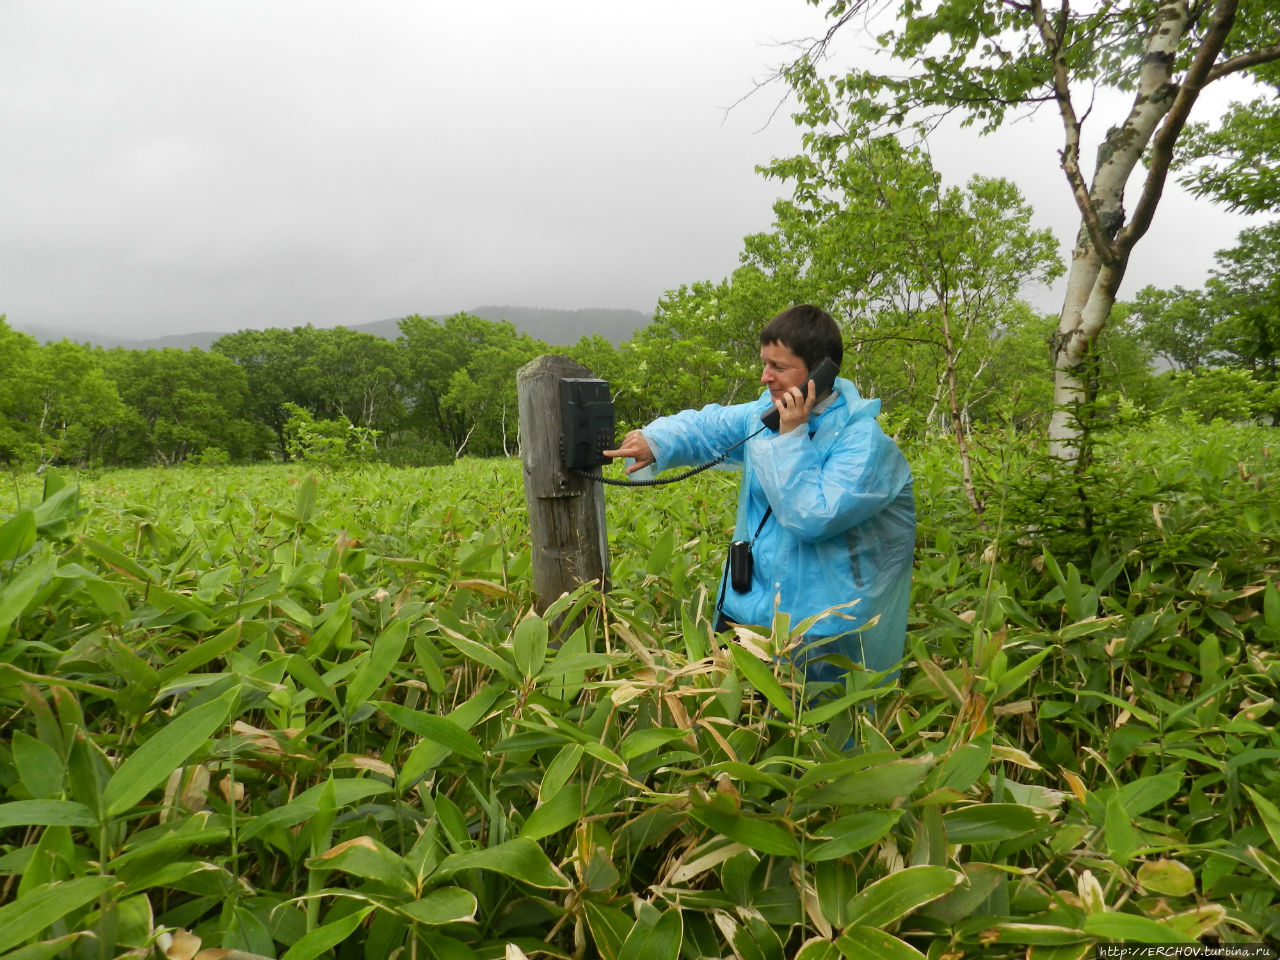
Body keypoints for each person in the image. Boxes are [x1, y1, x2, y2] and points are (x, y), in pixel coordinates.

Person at [602, 304, 915, 686]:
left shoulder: (864, 444)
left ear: (821, 371)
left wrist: (792, 436)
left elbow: (811, 516)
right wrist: (657, 441)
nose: (765, 377)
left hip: (822, 626)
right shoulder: (764, 416)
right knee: (741, 717)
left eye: (779, 367)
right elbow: (707, 427)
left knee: (807, 733)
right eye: (765, 363)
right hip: (749, 604)